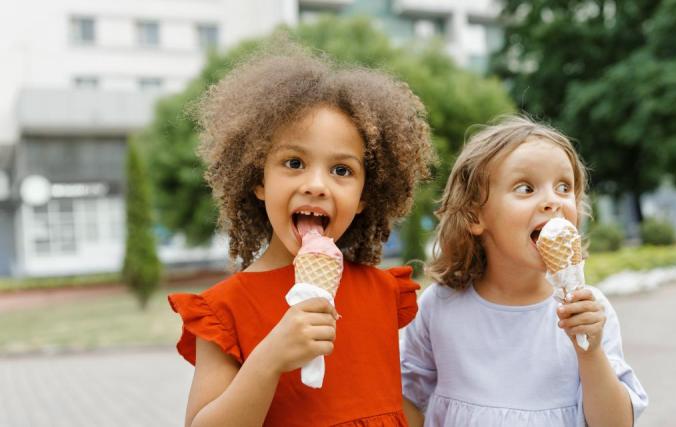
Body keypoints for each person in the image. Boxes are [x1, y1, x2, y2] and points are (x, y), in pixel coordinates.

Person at [168, 46, 434, 427]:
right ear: (259, 180)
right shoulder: (223, 311)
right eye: (294, 163)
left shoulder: (383, 293)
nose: (316, 185)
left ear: (364, 197)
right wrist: (269, 359)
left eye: (342, 170)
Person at [400, 115, 647, 427]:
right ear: (475, 215)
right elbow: (404, 399)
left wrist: (590, 351)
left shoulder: (590, 311)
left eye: (564, 187)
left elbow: (615, 424)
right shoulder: (439, 307)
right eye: (526, 188)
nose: (552, 201)